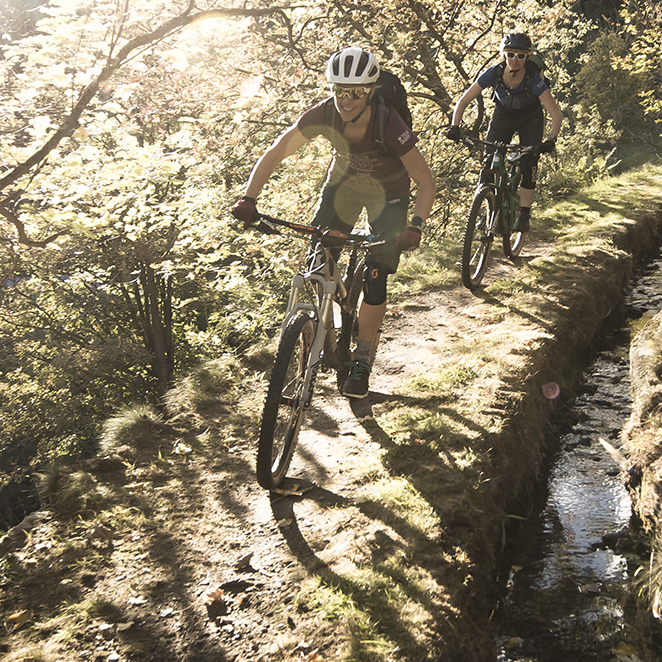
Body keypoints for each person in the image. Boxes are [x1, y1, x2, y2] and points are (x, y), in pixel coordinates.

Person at [230, 46, 437, 398]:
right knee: (317, 261)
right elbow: (277, 151)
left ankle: (362, 359)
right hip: (343, 187)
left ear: (370, 91)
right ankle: (308, 343)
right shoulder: (324, 114)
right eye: (340, 90)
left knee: (375, 276)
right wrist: (249, 197)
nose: (347, 99)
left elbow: (426, 181)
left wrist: (415, 224)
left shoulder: (389, 122)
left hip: (390, 194)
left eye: (356, 92)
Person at [447, 31, 563, 246]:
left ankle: (524, 215)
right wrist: (455, 126)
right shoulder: (495, 73)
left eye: (520, 56)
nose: (515, 60)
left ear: (528, 57)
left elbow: (556, 113)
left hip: (531, 118)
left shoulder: (533, 78)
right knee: (488, 161)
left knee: (529, 163)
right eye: (510, 54)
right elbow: (464, 100)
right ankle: (486, 207)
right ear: (503, 54)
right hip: (503, 116)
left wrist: (551, 139)